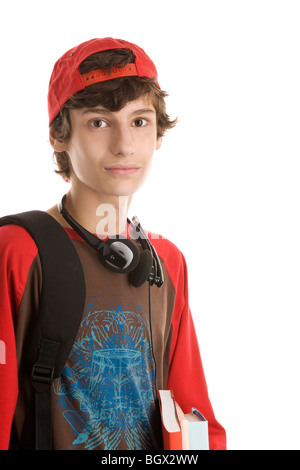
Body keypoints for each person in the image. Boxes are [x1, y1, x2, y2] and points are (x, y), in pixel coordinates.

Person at [0, 37, 226, 450]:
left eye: (139, 121)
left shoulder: (166, 261)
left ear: (158, 134)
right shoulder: (17, 250)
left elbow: (192, 413)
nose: (124, 144)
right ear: (59, 135)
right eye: (100, 122)